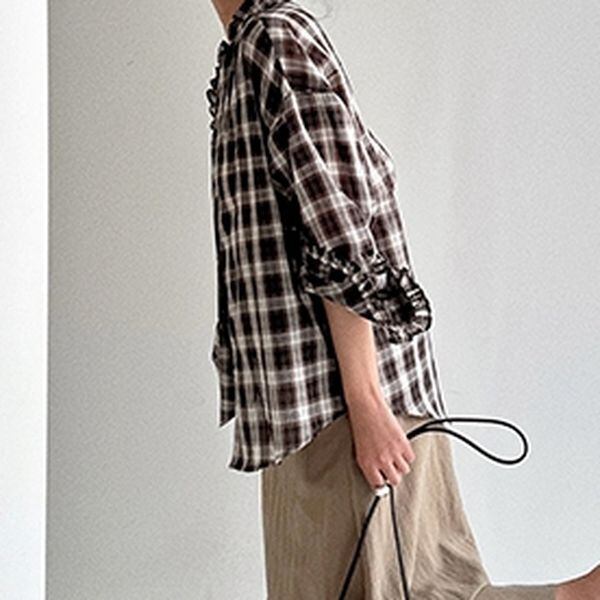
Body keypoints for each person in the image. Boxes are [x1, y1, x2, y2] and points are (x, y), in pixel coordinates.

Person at [206, 0, 599, 597]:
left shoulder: (275, 39)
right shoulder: (249, 46)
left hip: (340, 403)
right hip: (306, 409)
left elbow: (338, 230)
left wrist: (367, 404)